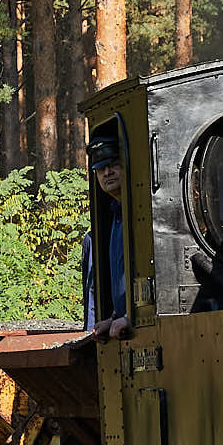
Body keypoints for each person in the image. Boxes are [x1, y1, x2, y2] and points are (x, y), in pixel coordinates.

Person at [83, 129, 132, 337]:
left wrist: (130, 317)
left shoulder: (136, 214)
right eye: (101, 168)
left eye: (113, 164)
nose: (107, 173)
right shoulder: (115, 216)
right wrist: (113, 317)